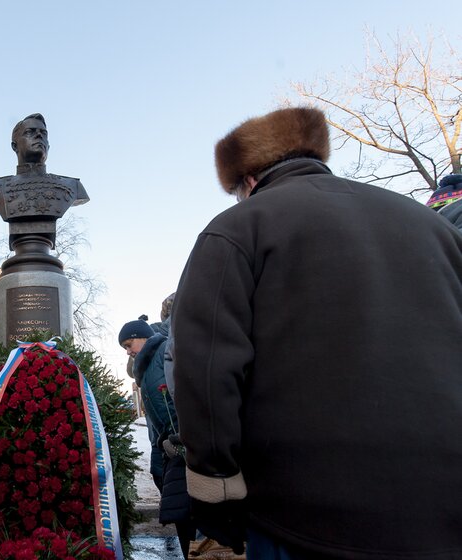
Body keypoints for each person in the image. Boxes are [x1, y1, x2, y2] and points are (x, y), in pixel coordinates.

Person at [173, 107, 462, 558]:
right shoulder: (434, 226)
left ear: (247, 180)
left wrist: (216, 489)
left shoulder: (237, 229)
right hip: (443, 510)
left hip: (304, 518)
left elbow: (206, 370)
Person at [118, 315, 194, 559]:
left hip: (184, 447)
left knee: (188, 513)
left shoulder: (164, 352)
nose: (128, 351)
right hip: (166, 447)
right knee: (180, 512)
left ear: (142, 336)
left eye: (129, 344)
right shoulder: (144, 367)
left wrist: (182, 436)